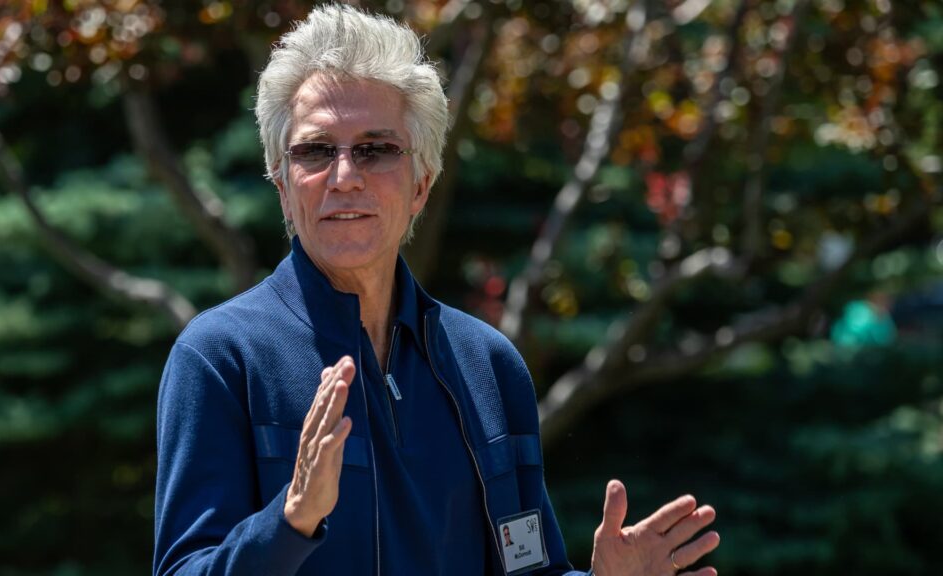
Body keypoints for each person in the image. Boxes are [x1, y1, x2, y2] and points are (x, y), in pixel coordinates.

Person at [153, 4, 719, 576]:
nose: (344, 176)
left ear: (421, 184)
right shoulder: (220, 357)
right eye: (316, 150)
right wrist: (291, 519)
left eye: (376, 150)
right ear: (282, 182)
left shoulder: (489, 366)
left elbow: (526, 569)